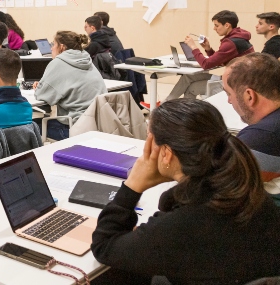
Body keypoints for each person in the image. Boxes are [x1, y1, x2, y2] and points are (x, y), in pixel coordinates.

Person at [91, 99, 280, 285]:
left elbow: (104, 246)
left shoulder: (181, 226)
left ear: (166, 153)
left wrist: (133, 186)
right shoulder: (247, 192)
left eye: (149, 139)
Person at [162, 10, 254, 103]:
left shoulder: (230, 43)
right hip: (232, 79)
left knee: (191, 88)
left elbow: (206, 64)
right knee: (188, 77)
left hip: (233, 84)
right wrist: (208, 49)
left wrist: (193, 47)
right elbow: (218, 61)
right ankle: (165, 103)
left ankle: (182, 113)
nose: (214, 28)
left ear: (227, 25)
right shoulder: (238, 37)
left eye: (217, 25)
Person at [222, 53, 280, 199]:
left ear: (249, 96)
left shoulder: (261, 137)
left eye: (229, 94)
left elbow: (220, 186)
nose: (229, 101)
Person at [34, 31, 106, 141]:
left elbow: (42, 95)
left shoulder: (59, 62)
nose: (51, 48)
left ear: (62, 47)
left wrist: (40, 87)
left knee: (31, 127)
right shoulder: (86, 60)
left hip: (74, 128)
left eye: (53, 44)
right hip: (98, 125)